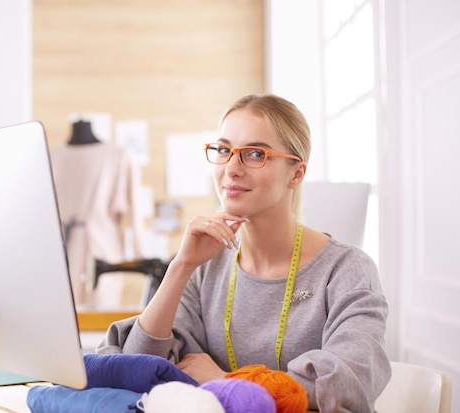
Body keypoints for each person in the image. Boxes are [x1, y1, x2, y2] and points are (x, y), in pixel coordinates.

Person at [97, 94, 391, 412]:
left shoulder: (347, 270)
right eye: (224, 150)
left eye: (255, 154)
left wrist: (226, 380)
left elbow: (346, 384)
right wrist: (181, 266)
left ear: (296, 174)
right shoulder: (203, 267)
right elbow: (136, 367)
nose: (231, 169)